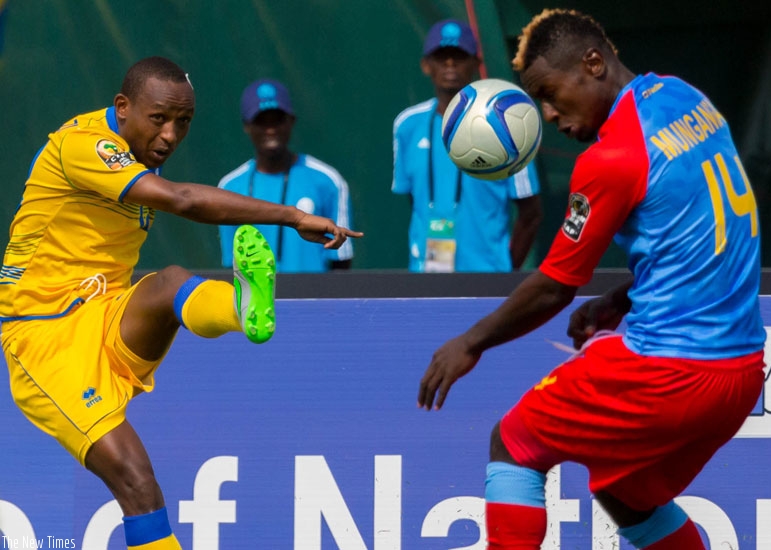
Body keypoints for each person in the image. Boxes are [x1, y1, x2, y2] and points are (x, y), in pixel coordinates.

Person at [417, 9, 765, 550]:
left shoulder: (613, 155)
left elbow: (556, 283)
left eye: (551, 94)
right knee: (627, 493)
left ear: (594, 63)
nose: (549, 115)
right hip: (741, 373)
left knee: (513, 444)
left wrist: (470, 341)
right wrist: (623, 297)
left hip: (667, 371)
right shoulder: (684, 99)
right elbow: (708, 229)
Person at [0, 57, 361, 550]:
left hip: (106, 314)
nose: (171, 135)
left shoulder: (138, 148)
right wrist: (291, 216)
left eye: (184, 122)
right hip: (43, 336)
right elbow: (184, 200)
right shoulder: (85, 146)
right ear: (122, 108)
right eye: (159, 119)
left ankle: (242, 308)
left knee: (168, 282)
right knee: (136, 482)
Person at [392, 18, 543, 273]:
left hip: (486, 278)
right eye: (441, 56)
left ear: (476, 63)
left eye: (459, 56)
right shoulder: (407, 125)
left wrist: (503, 274)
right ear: (426, 65)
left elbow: (531, 213)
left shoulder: (507, 125)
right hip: (425, 275)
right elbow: (414, 199)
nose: (450, 64)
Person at [218, 78, 355, 272]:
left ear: (292, 121)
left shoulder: (328, 181)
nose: (271, 129)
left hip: (316, 300)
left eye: (277, 119)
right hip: (254, 301)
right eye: (261, 121)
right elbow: (231, 265)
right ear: (246, 126)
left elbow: (341, 261)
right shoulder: (229, 187)